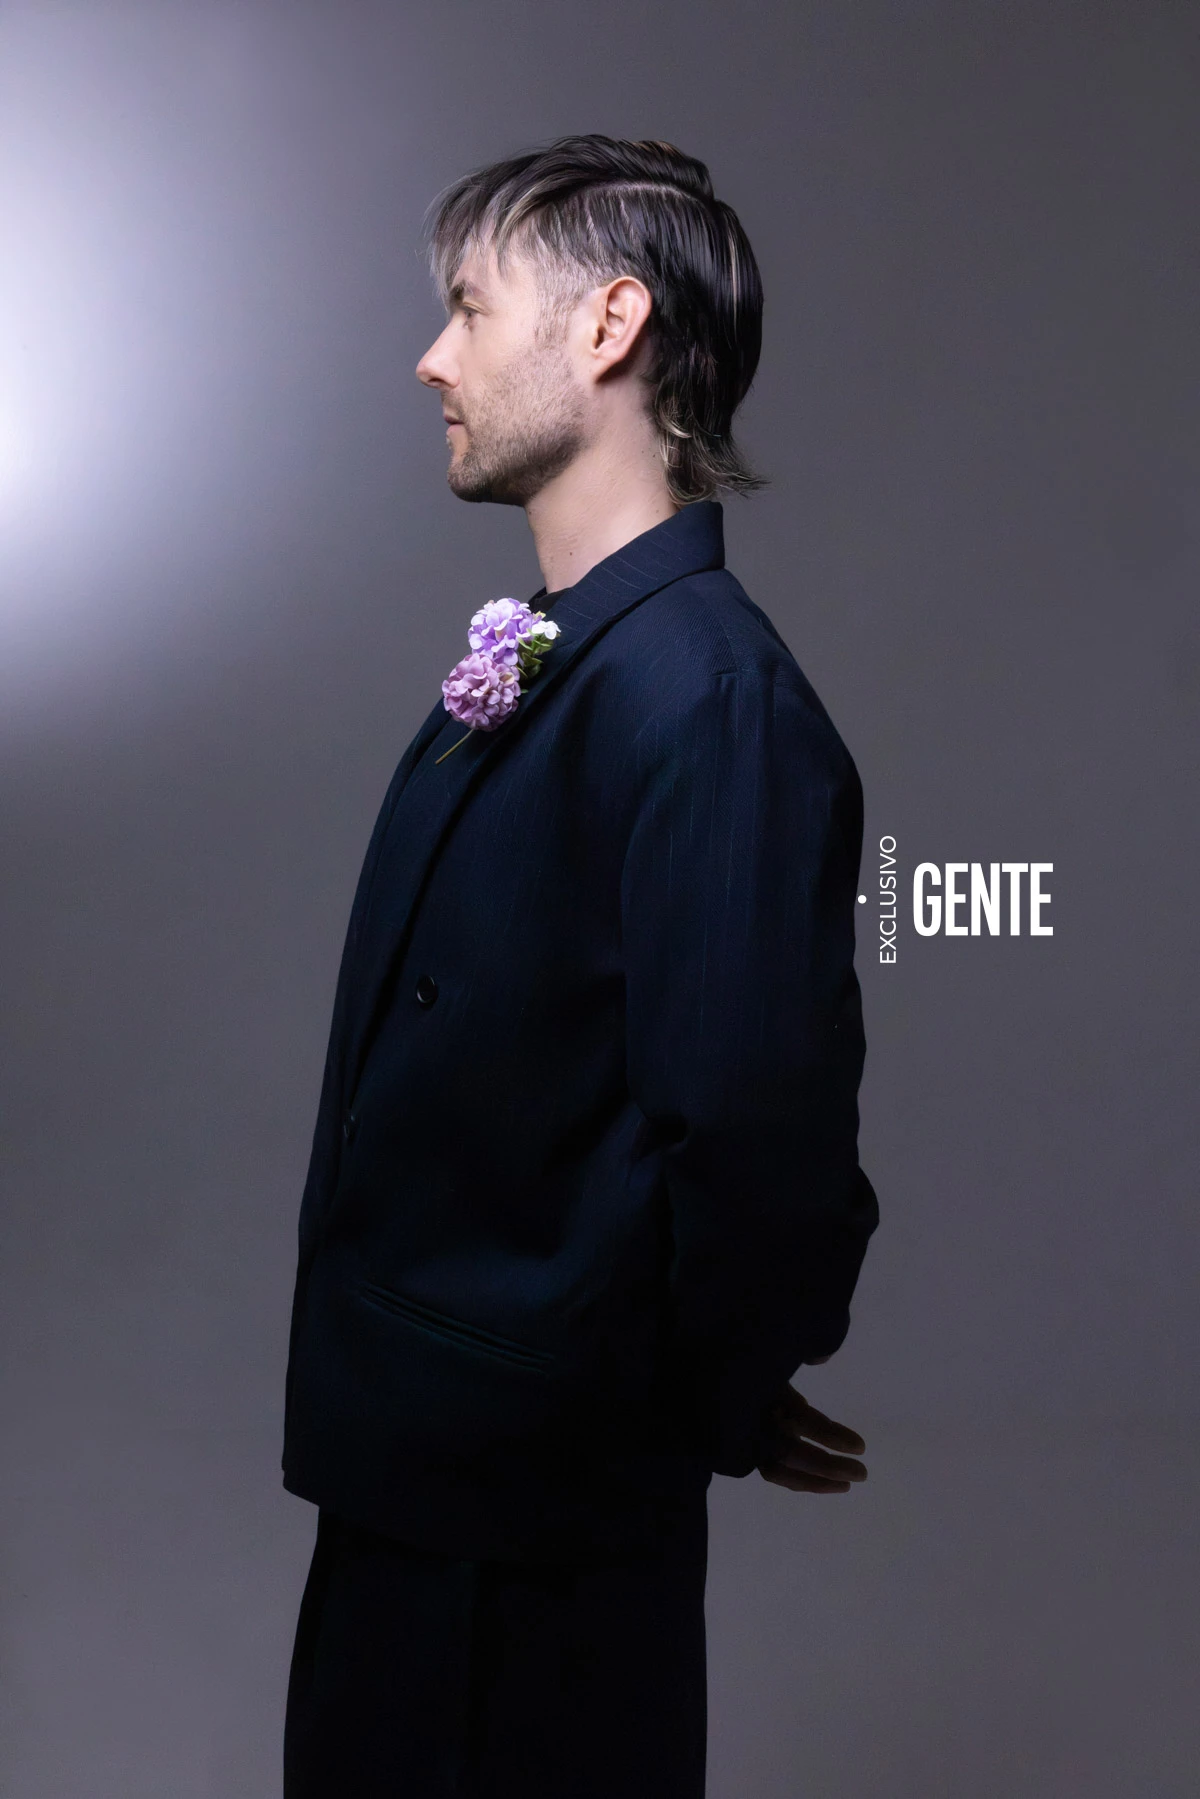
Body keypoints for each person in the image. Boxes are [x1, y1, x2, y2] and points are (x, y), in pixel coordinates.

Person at [280, 133, 879, 1799]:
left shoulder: (709, 696)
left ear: (610, 326)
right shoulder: (576, 654)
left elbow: (752, 1118)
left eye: (471, 308)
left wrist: (729, 1372)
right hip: (421, 1479)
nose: (432, 357)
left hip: (530, 1518)